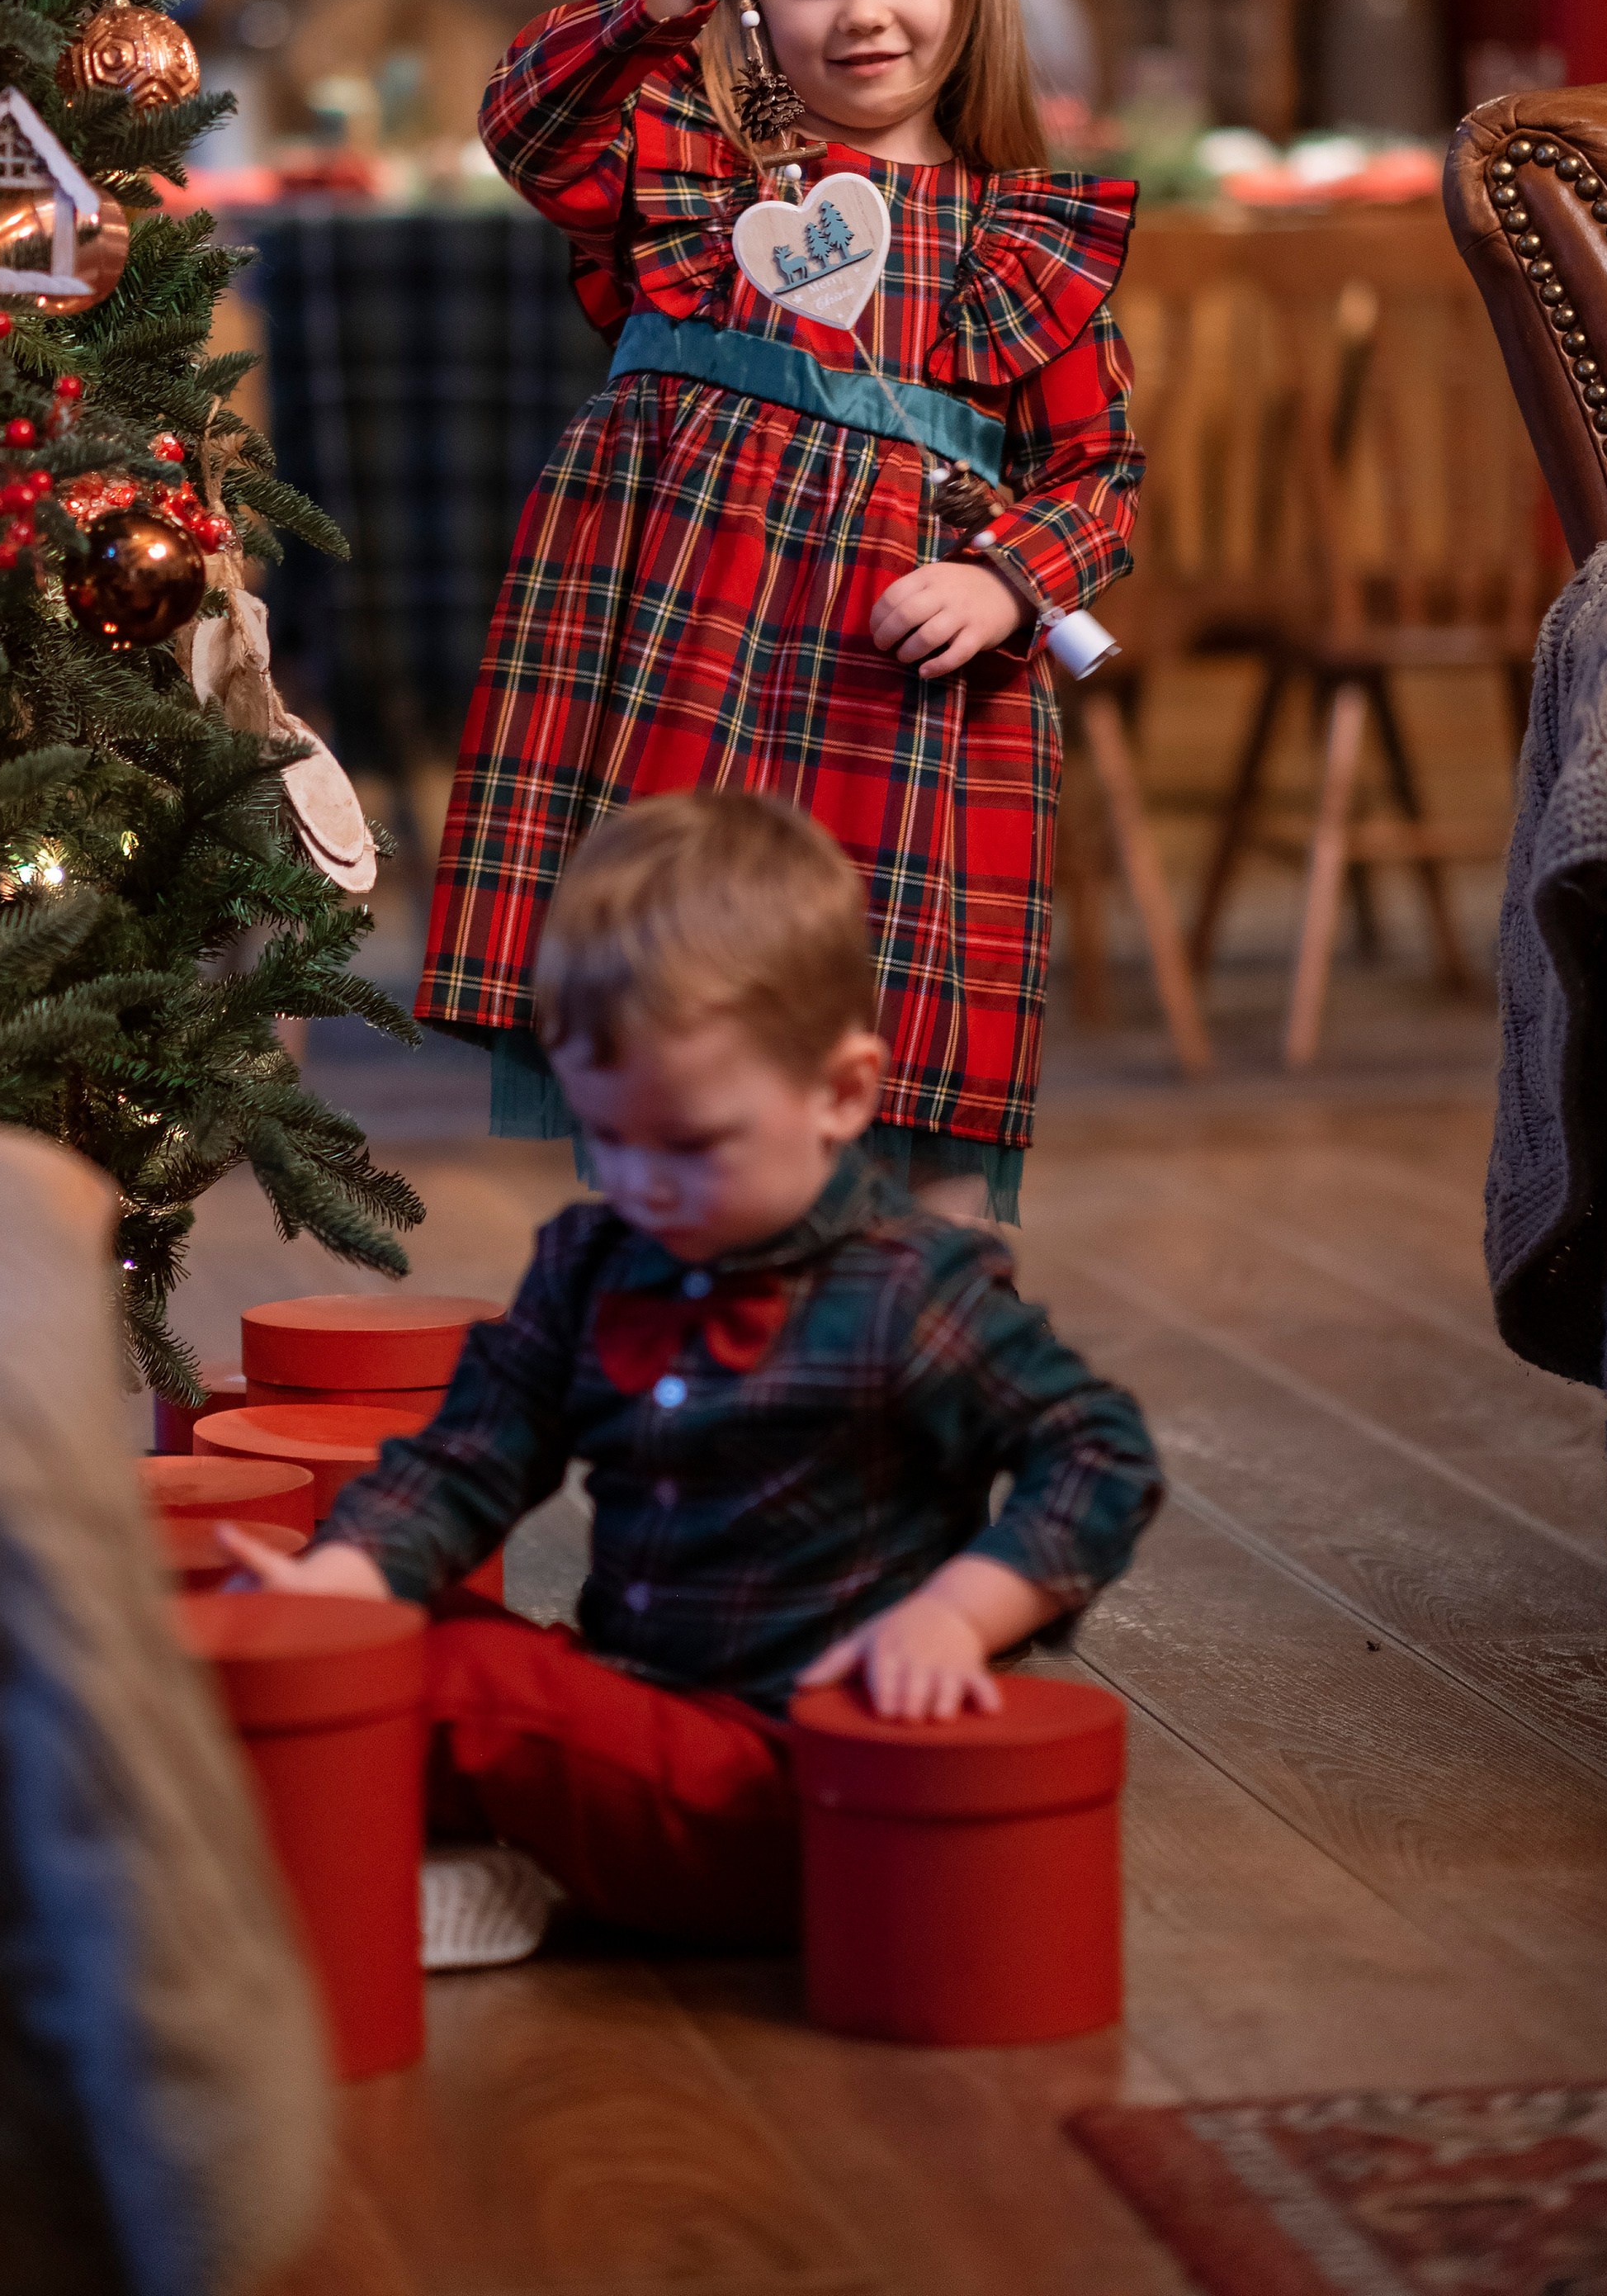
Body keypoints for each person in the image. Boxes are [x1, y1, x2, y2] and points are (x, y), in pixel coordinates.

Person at [223, 789, 1162, 1963]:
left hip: (793, 1781)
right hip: (638, 1703)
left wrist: (959, 1615)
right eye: (609, 1137)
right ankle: (468, 1842)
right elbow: (472, 1456)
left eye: (693, 1144)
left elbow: (1101, 1452)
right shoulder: (593, 1263)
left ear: (842, 1095)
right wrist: (351, 1580)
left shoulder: (912, 1288)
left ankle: (407, 1846)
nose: (643, 1183)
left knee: (460, 1682)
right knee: (371, 1626)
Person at [416, 0, 1141, 1228]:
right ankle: (682, 1355)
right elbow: (523, 126)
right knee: (681, 1021)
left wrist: (1007, 577)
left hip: (897, 701)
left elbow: (1101, 472)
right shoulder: (684, 167)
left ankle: (927, 1371)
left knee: (895, 1060)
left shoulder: (1021, 236)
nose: (864, 17)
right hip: (680, 670)